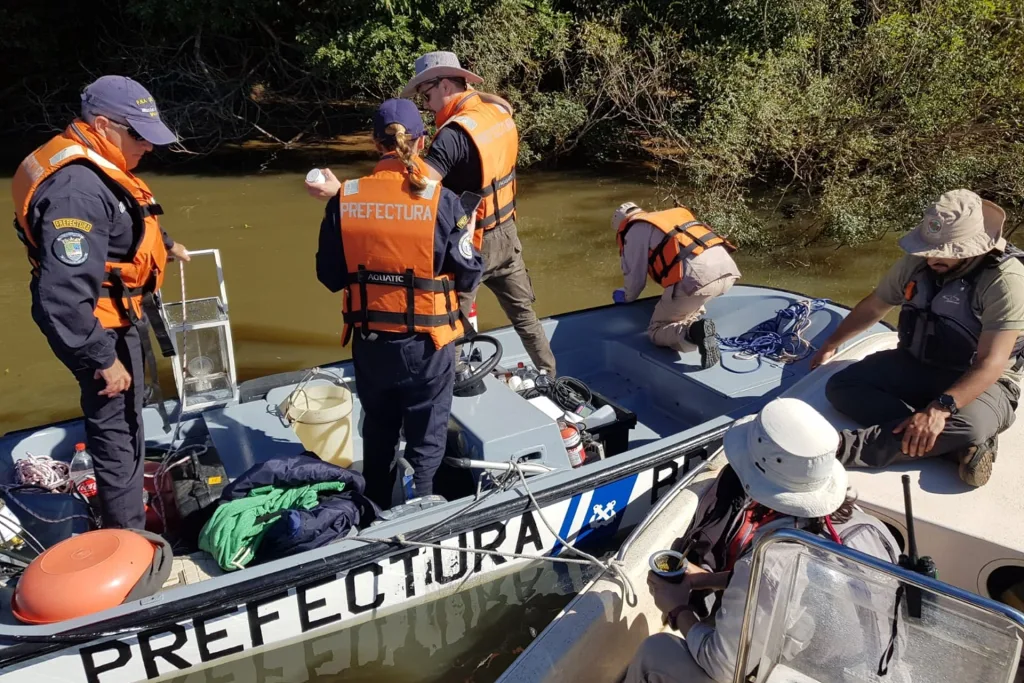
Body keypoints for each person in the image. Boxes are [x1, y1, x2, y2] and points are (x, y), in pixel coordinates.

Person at [11, 75, 188, 530]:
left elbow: (121, 218)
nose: (148, 147)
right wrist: (102, 357)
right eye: (139, 136)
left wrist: (163, 243)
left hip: (115, 311)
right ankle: (128, 542)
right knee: (118, 430)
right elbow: (63, 294)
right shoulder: (75, 190)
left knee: (126, 418)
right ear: (104, 125)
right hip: (96, 324)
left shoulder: (97, 160)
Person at [624, 397, 899, 683]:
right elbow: (790, 589)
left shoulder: (775, 557)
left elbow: (723, 667)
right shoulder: (865, 526)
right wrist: (705, 580)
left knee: (656, 652)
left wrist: (677, 608)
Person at [314, 98, 483, 509]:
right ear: (422, 141)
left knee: (379, 432)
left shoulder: (345, 199)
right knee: (427, 437)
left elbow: (329, 276)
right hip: (426, 346)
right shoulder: (442, 201)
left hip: (370, 343)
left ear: (375, 144)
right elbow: (468, 272)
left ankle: (372, 508)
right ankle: (419, 511)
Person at [810, 189, 1024, 487]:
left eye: (946, 250)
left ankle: (835, 450)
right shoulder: (916, 264)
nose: (933, 257)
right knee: (841, 386)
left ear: (973, 247)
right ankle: (952, 448)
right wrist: (831, 344)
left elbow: (992, 362)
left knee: (969, 426)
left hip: (983, 380)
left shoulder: (1004, 279)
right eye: (929, 248)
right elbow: (875, 306)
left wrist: (939, 409)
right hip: (919, 363)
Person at [612, 202, 741, 369]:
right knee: (688, 306)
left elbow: (635, 279)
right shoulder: (664, 218)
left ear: (620, 225)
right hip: (728, 271)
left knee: (656, 330)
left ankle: (692, 332)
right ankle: (697, 324)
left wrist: (627, 296)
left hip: (696, 281)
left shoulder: (634, 229)